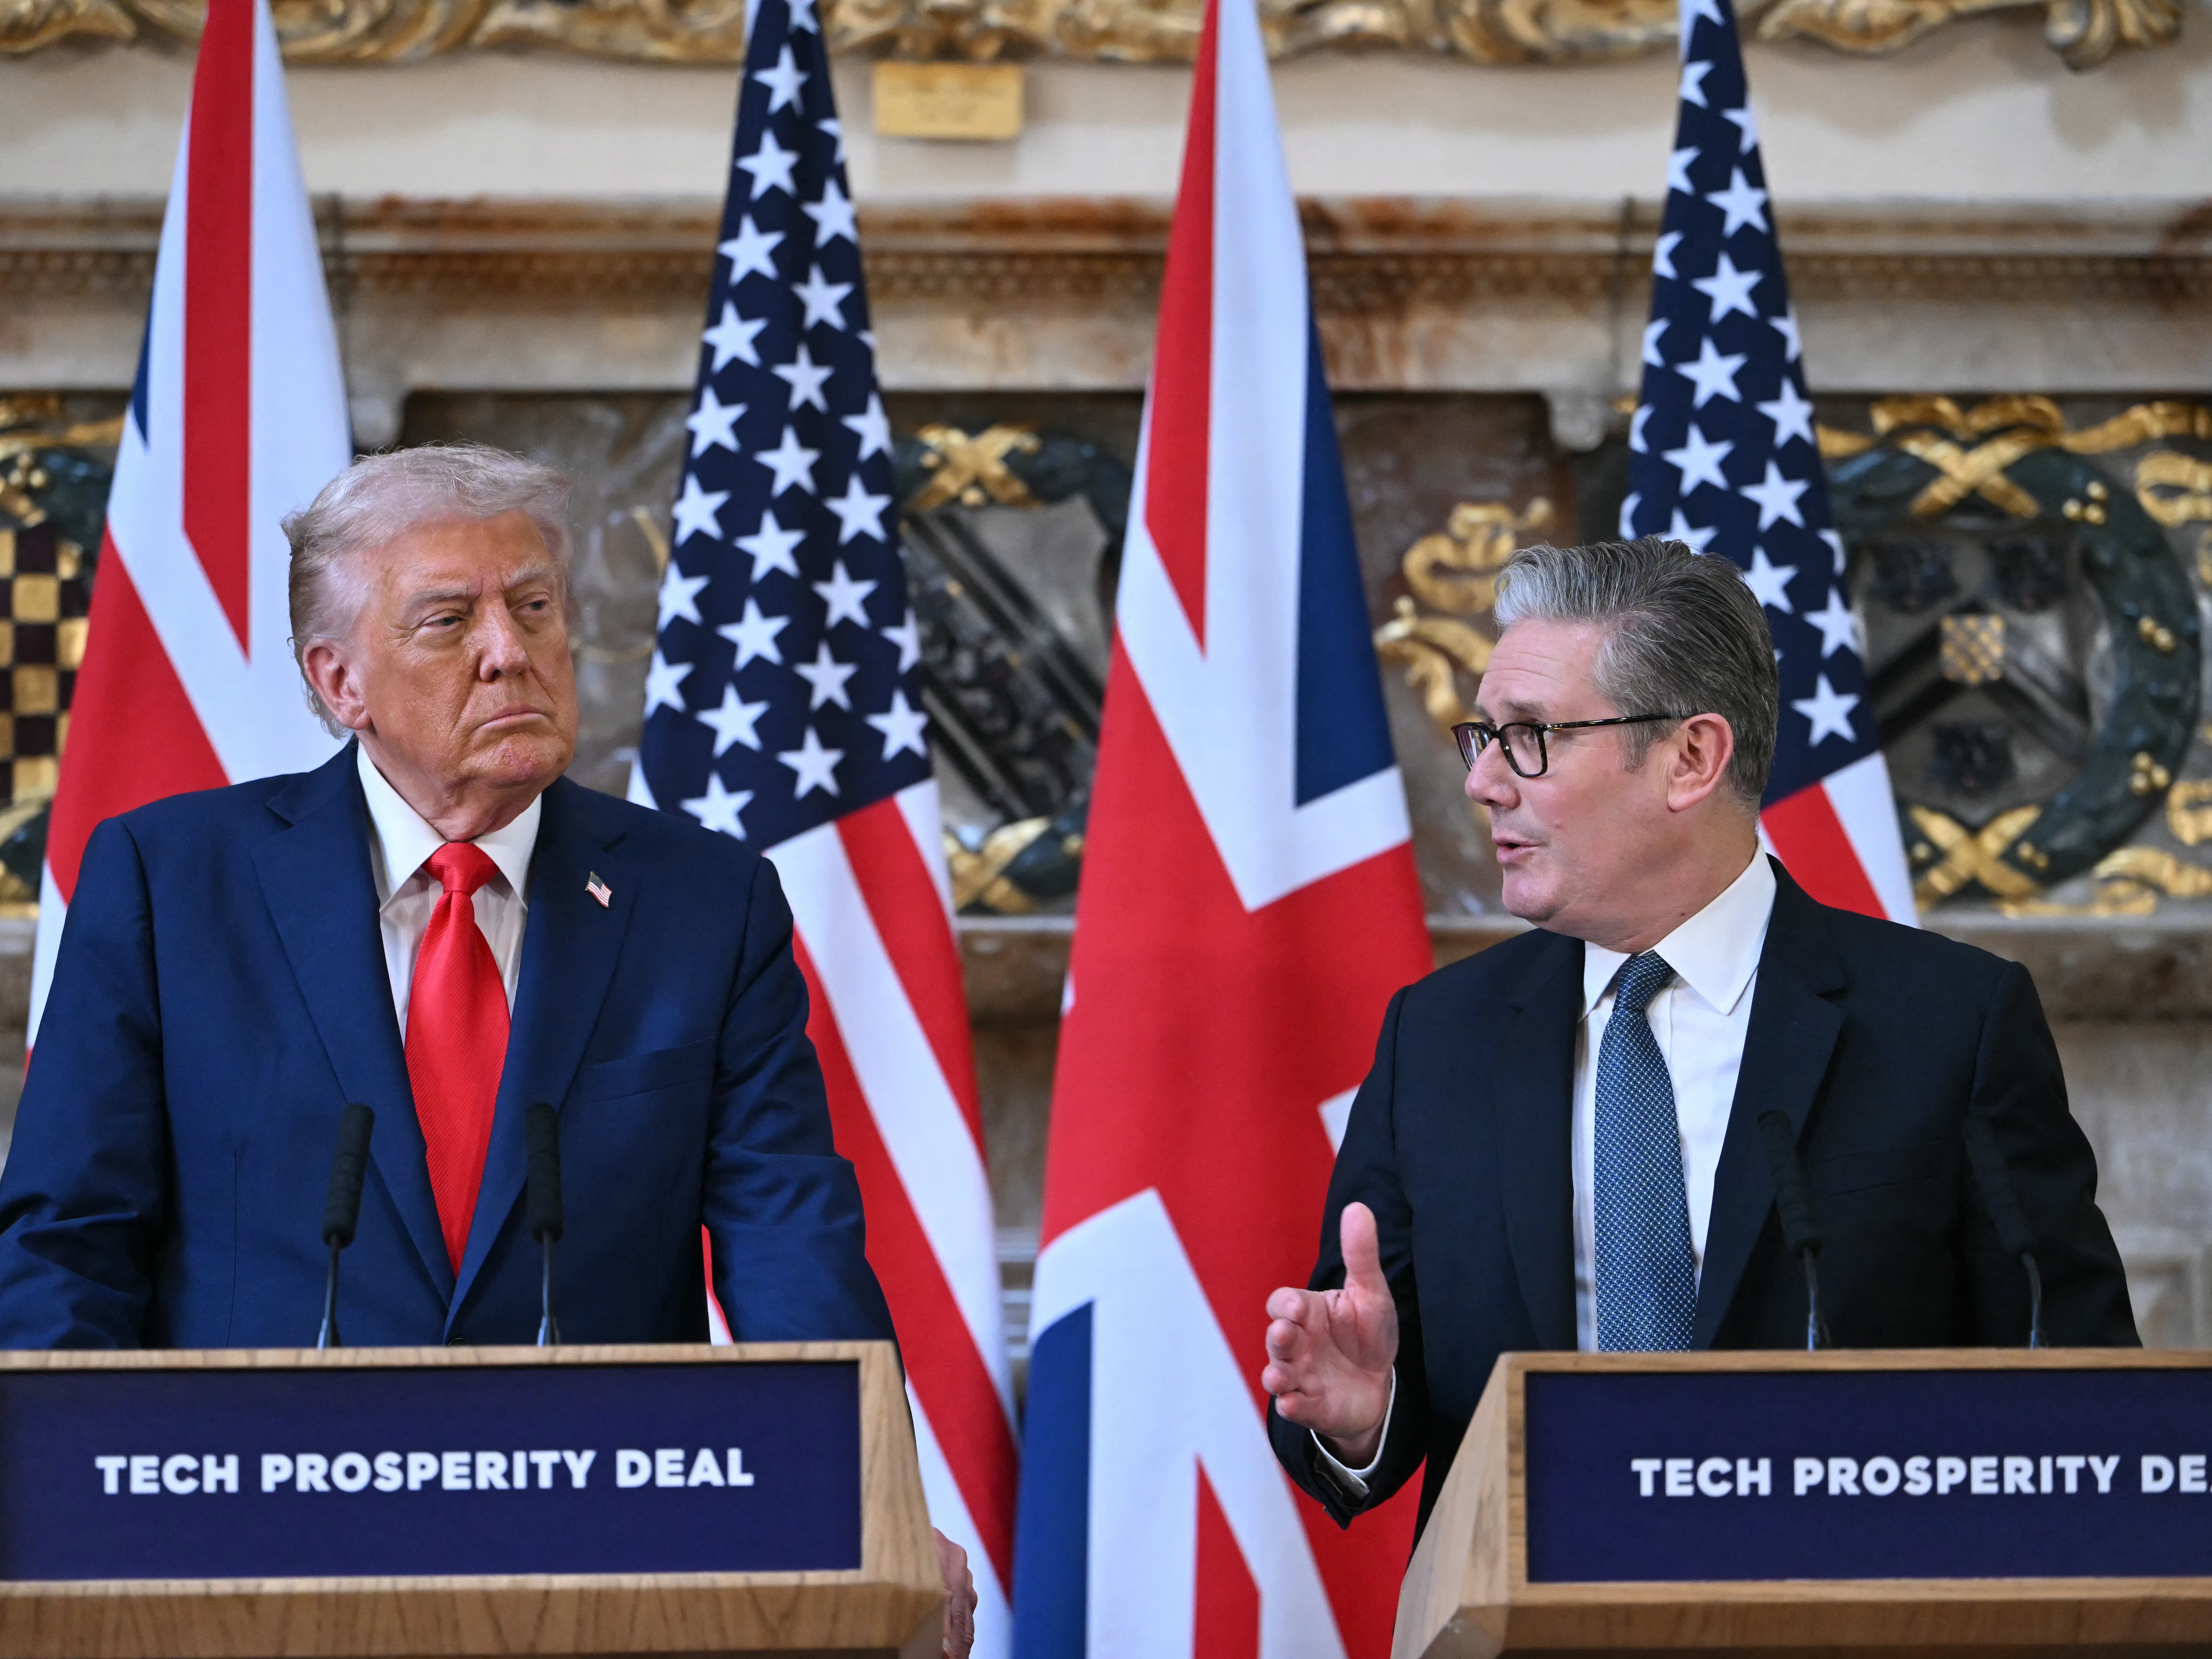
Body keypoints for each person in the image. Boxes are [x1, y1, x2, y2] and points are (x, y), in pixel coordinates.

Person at [0, 443, 976, 1652]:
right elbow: (67, 1241)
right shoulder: (172, 882)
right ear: (339, 679)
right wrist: (47, 1526)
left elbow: (792, 1242)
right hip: (247, 1572)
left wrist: (872, 1504)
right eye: (448, 619)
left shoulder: (704, 904)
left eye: (532, 605)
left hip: (609, 1572)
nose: (508, 648)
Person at [1260, 535, 2136, 1538]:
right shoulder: (1441, 1039)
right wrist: (1358, 1416)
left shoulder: (1946, 1024)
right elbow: (1361, 1379)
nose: (1484, 783)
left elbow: (2079, 1397)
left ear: (1690, 758)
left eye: (1531, 737)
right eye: (1485, 737)